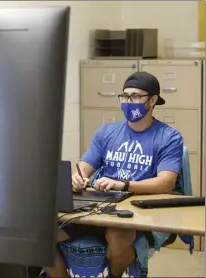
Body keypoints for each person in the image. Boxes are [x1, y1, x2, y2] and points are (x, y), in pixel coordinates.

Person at [44, 71, 184, 278]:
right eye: (125, 96)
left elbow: (165, 183)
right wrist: (77, 178)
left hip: (136, 211)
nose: (128, 101)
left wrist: (123, 184)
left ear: (152, 100)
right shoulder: (106, 132)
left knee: (117, 236)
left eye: (136, 96)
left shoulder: (168, 137)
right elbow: (84, 167)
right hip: (99, 207)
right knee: (38, 237)